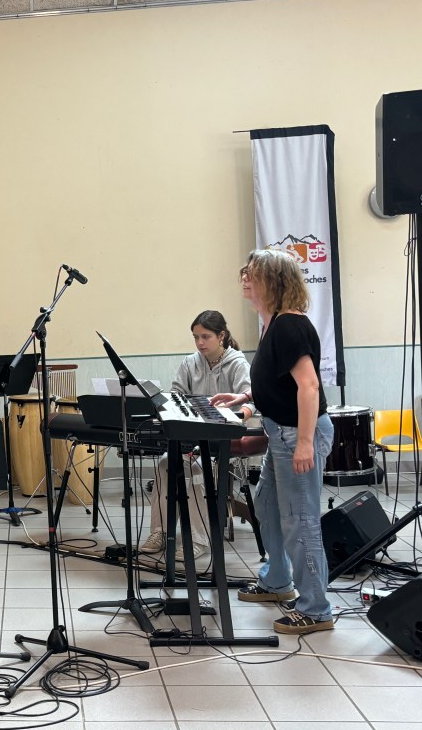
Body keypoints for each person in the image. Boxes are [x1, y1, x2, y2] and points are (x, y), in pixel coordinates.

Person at [212, 249, 334, 635]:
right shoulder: (273, 323)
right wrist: (245, 397)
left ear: (275, 281)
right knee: (265, 504)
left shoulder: (289, 326)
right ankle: (278, 581)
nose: (245, 279)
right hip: (281, 432)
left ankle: (316, 609)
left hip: (297, 434)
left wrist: (304, 443)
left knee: (300, 521)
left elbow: (309, 386)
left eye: (253, 274)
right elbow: (277, 380)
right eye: (245, 272)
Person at [140, 310, 253, 560]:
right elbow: (175, 395)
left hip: (221, 439)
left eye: (205, 337)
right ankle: (160, 531)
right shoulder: (190, 363)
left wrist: (237, 416)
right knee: (165, 463)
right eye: (196, 337)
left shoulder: (237, 363)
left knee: (199, 469)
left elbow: (250, 401)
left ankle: (199, 539)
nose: (200, 343)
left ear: (221, 336)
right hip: (192, 437)